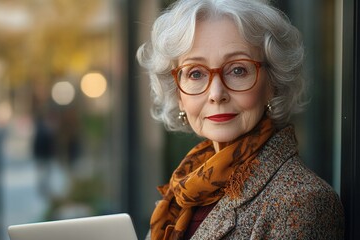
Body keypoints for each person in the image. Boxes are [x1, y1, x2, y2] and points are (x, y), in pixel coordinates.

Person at [136, 0, 345, 239]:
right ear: (179, 94)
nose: (216, 94)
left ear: (273, 83)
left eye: (238, 70)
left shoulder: (302, 201)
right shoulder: (181, 192)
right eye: (196, 73)